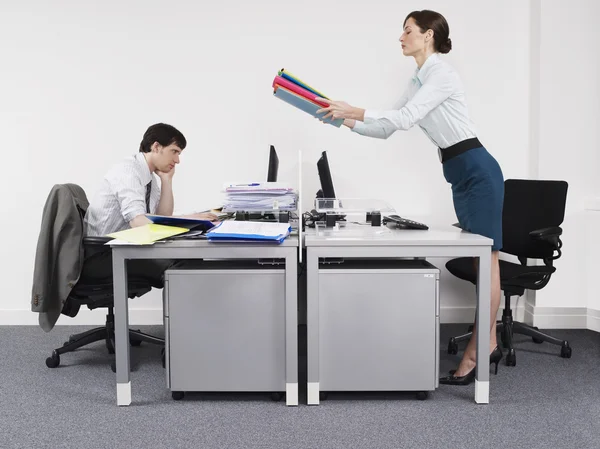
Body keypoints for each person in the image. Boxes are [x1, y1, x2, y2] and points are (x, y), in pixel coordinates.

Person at [316, 10, 504, 385]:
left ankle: (480, 348)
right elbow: (387, 127)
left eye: (407, 31)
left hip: (478, 170)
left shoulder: (441, 75)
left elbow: (406, 117)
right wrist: (340, 120)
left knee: (488, 257)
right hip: (459, 172)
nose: (400, 38)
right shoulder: (418, 79)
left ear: (428, 35)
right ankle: (489, 342)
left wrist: (351, 107)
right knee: (481, 256)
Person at [83, 123, 217, 287]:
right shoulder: (128, 171)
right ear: (156, 147)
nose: (177, 160)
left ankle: (187, 312)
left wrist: (167, 180)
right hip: (101, 255)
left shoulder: (148, 176)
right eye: (174, 151)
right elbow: (138, 222)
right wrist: (188, 219)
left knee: (189, 259)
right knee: (179, 267)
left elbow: (161, 218)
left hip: (120, 250)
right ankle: (183, 313)